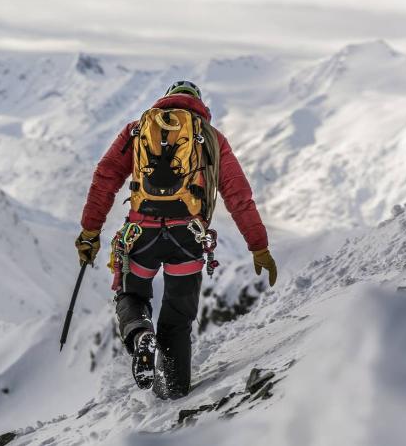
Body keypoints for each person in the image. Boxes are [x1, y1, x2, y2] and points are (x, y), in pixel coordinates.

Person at [75, 81, 277, 399]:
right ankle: (174, 390)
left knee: (132, 295)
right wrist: (258, 245)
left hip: (141, 236)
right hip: (188, 239)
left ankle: (141, 333)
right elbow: (238, 195)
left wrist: (89, 233)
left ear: (166, 99)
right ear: (199, 104)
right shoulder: (212, 138)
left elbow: (105, 178)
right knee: (177, 317)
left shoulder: (137, 130)